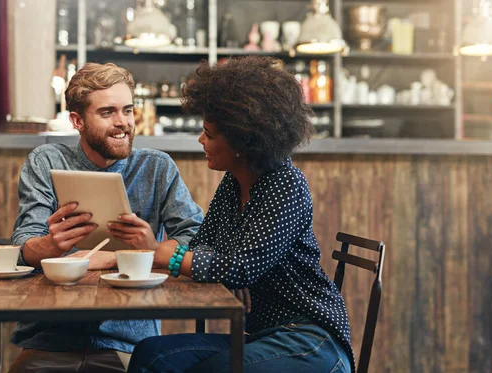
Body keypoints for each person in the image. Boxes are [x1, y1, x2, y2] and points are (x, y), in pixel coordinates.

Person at [127, 56, 354, 373]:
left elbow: (241, 267)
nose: (201, 140)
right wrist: (220, 268)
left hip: (310, 341)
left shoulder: (286, 186)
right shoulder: (233, 184)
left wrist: (170, 255)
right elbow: (205, 244)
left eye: (209, 133)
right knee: (151, 356)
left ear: (241, 139)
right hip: (264, 336)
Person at [8, 62, 204, 373]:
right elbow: (23, 246)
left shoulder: (156, 168)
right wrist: (50, 246)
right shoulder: (46, 161)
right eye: (107, 112)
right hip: (50, 337)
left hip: (130, 340)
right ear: (77, 120)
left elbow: (197, 238)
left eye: (127, 110)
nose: (123, 122)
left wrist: (136, 250)